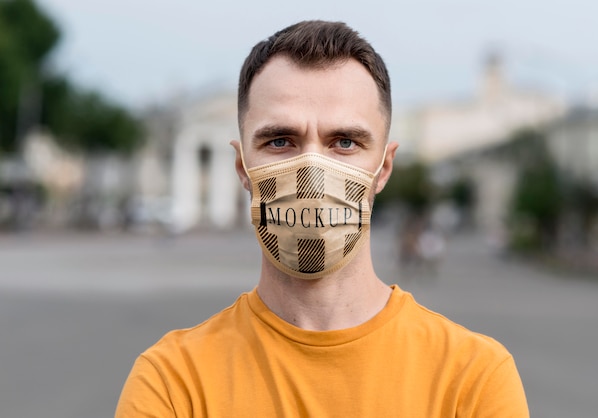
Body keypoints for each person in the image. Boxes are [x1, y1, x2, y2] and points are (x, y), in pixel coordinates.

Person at [115, 20, 529, 417]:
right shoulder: (172, 382)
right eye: (280, 141)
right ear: (242, 166)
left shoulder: (474, 379)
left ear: (383, 168)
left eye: (344, 142)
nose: (312, 171)